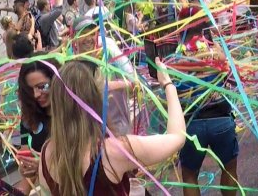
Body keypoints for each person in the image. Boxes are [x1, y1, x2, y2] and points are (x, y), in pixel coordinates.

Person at [38, 60, 186, 195]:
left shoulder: (46, 153)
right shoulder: (113, 152)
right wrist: (168, 84)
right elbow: (178, 137)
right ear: (95, 98)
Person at [172, 21, 239, 196]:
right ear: (204, 32)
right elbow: (234, 82)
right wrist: (223, 57)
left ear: (181, 34)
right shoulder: (216, 54)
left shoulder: (176, 60)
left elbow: (171, 95)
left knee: (189, 175)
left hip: (191, 125)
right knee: (229, 168)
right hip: (221, 120)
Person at [73, 17, 136, 136]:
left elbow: (133, 81)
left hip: (117, 125)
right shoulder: (69, 59)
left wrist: (116, 85)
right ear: (74, 37)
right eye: (83, 34)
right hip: (88, 131)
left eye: (92, 33)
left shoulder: (109, 50)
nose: (88, 38)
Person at [15, 56, 60, 193]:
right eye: (30, 89)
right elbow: (27, 162)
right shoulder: (28, 119)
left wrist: (44, 166)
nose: (35, 94)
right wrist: (26, 170)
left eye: (42, 87)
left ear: (57, 80)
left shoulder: (74, 115)